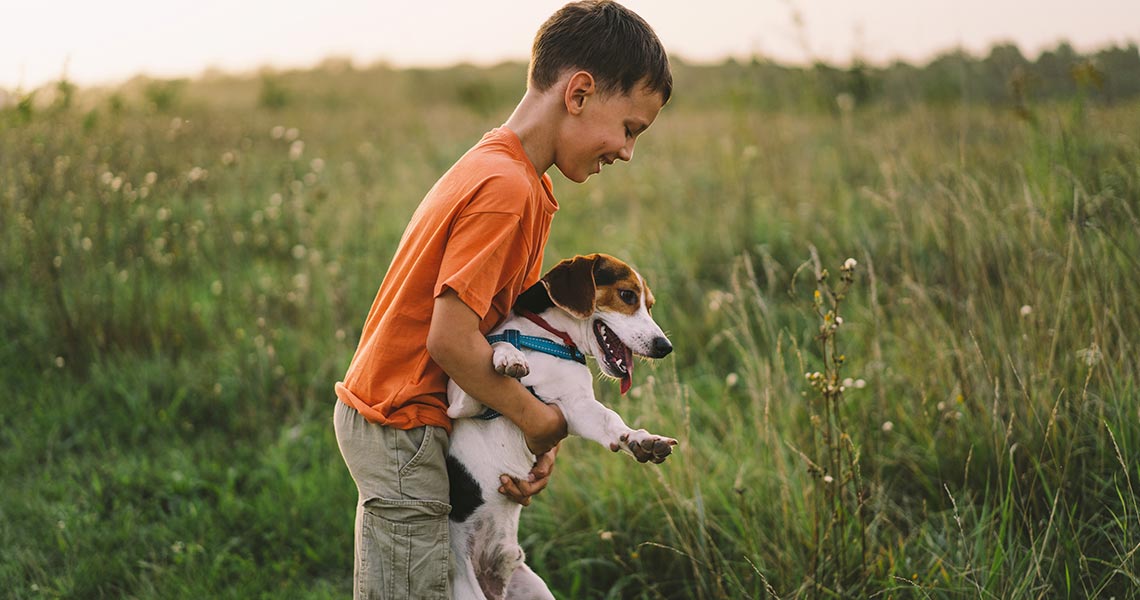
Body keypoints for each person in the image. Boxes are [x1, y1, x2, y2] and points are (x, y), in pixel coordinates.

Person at [332, 1, 672, 597]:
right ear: (579, 93)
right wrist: (540, 420)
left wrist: (529, 433)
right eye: (629, 129)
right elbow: (451, 340)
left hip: (423, 418)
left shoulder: (515, 175)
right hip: (404, 422)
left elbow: (505, 338)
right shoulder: (507, 187)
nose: (626, 152)